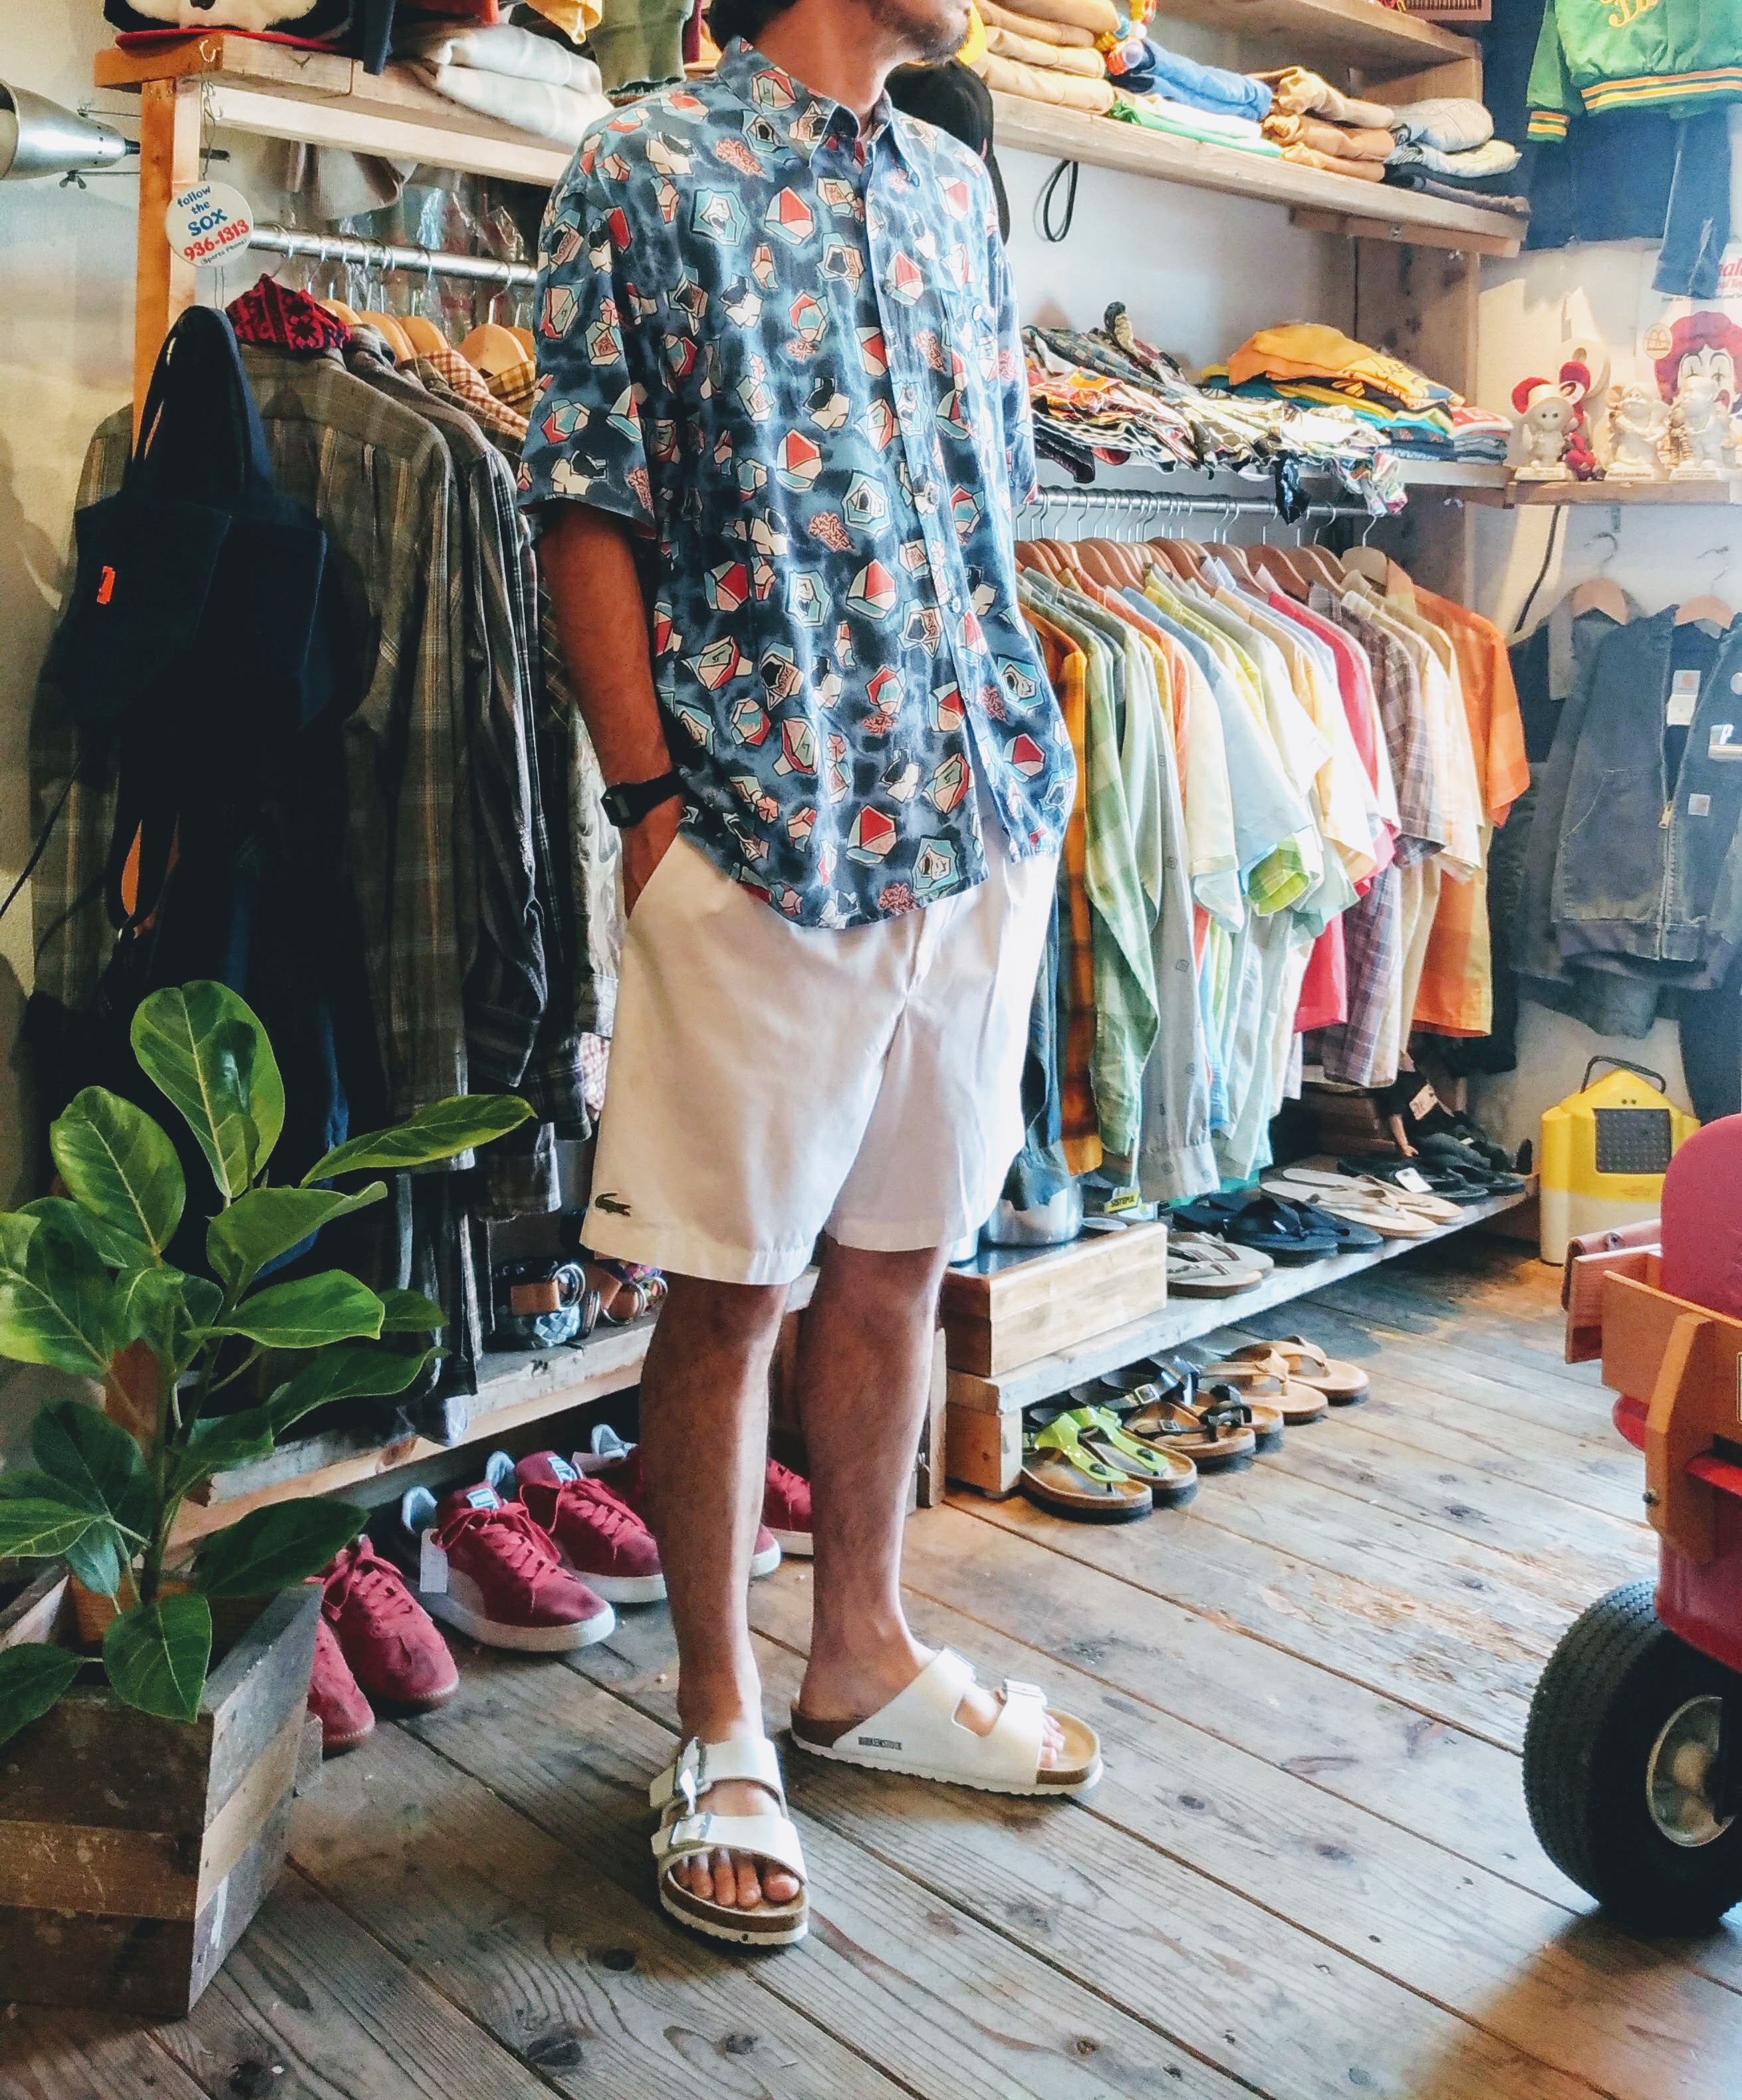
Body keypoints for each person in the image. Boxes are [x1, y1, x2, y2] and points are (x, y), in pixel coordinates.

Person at [521, 0, 1098, 1950]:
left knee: (901, 1260)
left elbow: (985, 496)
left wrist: (1019, 760)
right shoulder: (645, 165)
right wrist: (648, 797)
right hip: (760, 818)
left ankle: (857, 1653)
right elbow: (583, 498)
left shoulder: (951, 187)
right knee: (726, 1285)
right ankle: (716, 1718)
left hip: (971, 808)